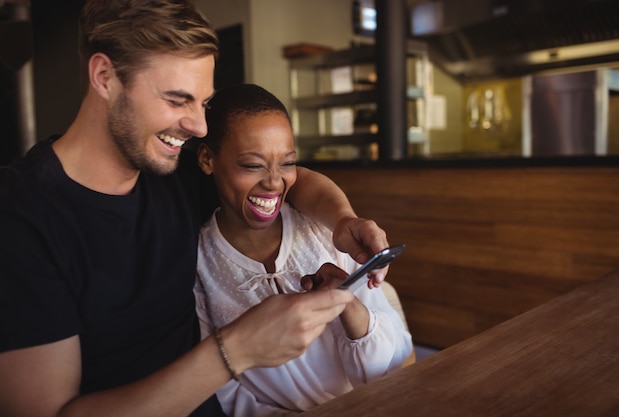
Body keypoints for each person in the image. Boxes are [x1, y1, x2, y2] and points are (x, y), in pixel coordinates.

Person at [0, 1, 390, 416]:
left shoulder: (173, 168)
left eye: (202, 104)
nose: (199, 127)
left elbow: (292, 179)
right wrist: (236, 350)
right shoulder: (20, 216)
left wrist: (343, 219)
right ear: (104, 76)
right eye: (177, 99)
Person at [193, 83, 413, 416]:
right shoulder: (197, 263)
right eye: (253, 165)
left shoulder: (321, 231)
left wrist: (347, 304)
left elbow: (391, 367)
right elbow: (226, 395)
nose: (273, 182)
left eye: (287, 163)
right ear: (208, 158)